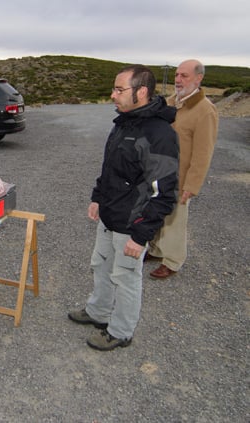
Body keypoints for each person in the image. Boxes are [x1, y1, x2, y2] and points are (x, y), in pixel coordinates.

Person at [68, 65, 179, 351]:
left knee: (126, 278)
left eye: (119, 90)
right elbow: (110, 169)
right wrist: (97, 197)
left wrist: (141, 235)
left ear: (141, 92)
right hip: (109, 215)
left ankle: (120, 331)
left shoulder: (160, 133)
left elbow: (164, 193)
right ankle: (98, 312)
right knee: (101, 267)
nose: (112, 95)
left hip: (132, 223)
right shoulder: (123, 123)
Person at [147, 59, 219, 279]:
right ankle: (157, 250)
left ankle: (173, 261)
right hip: (159, 172)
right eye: (177, 75)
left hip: (180, 177)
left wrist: (192, 185)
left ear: (199, 78)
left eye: (184, 76)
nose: (178, 80)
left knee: (176, 219)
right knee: (157, 212)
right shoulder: (170, 102)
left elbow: (203, 152)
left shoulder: (205, 110)